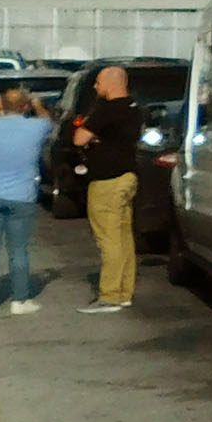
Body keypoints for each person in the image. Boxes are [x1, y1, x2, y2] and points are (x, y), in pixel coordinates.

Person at [0, 86, 49, 317]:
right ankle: (20, 300)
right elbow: (49, 121)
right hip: (21, 196)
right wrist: (37, 106)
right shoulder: (36, 127)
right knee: (18, 250)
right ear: (25, 106)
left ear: (2, 106)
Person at [73, 66, 142, 314]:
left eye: (98, 82)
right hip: (127, 176)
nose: (95, 86)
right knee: (123, 236)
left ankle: (110, 295)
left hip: (106, 181)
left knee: (108, 239)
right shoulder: (133, 108)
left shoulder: (107, 109)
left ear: (112, 83)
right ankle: (124, 291)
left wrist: (91, 134)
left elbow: (79, 138)